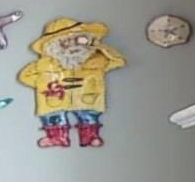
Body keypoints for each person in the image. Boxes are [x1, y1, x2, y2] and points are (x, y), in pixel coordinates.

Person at [15, 17, 125, 149]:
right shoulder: (45, 64)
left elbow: (118, 61)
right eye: (65, 42)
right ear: (53, 45)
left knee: (88, 115)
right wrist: (44, 85)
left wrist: (99, 47)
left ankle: (91, 136)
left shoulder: (97, 59)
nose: (73, 45)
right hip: (55, 98)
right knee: (53, 116)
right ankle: (56, 137)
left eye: (79, 39)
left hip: (87, 97)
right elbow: (24, 76)